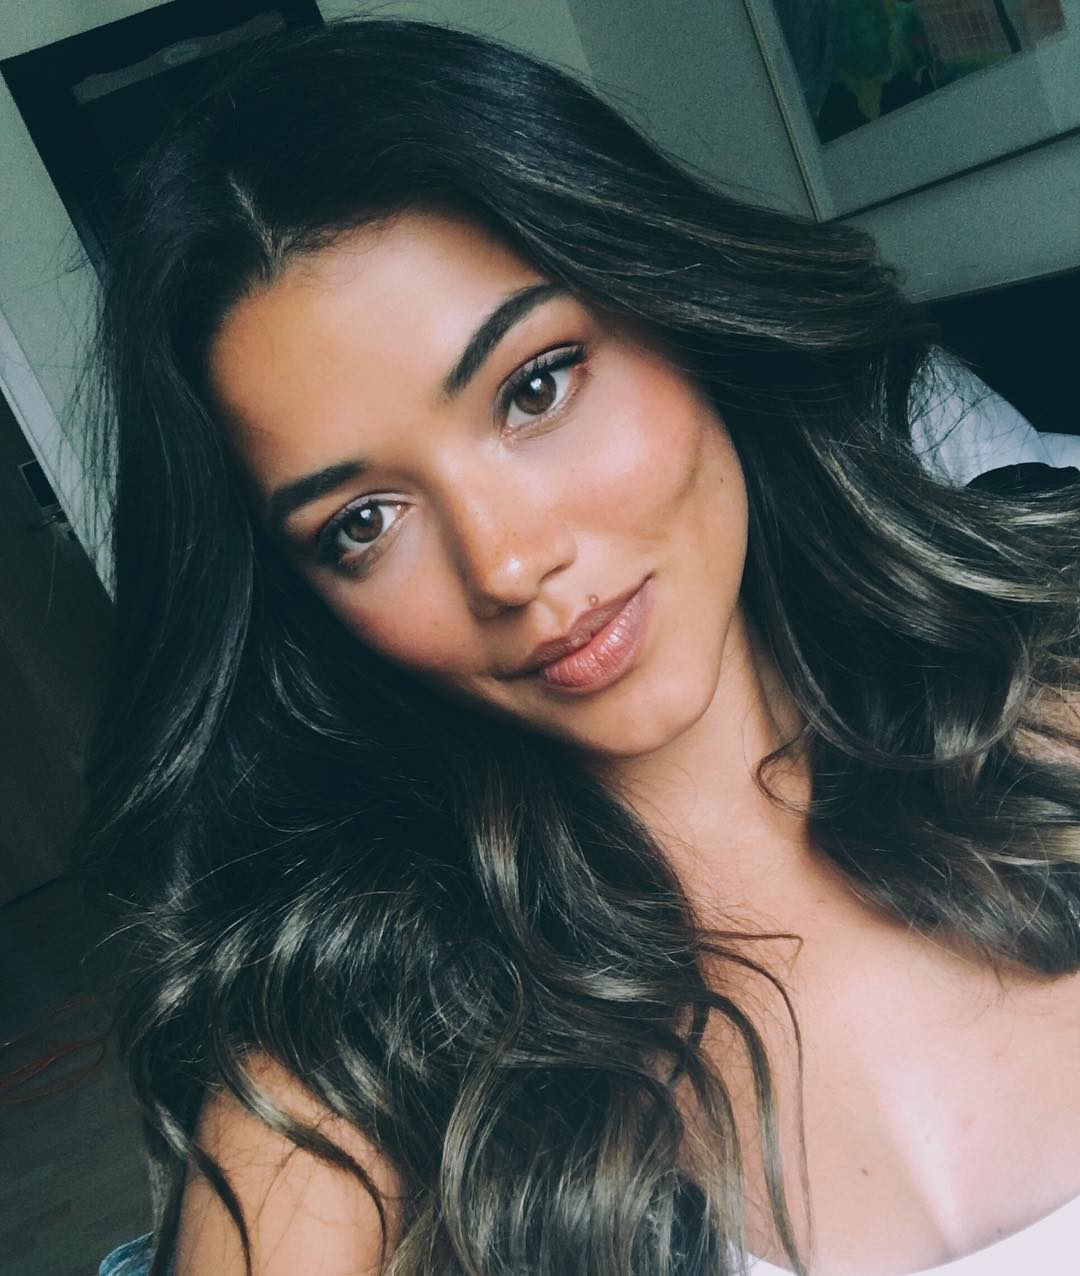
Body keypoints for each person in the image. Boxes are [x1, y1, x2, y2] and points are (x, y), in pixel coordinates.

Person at [81, 17, 1080, 1276]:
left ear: (675, 304)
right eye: (363, 523)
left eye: (535, 386)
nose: (507, 565)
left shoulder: (1055, 682)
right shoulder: (346, 1063)